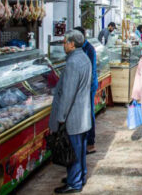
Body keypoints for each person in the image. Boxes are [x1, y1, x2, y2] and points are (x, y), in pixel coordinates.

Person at [49, 30, 92, 194]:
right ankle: (79, 176)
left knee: (73, 149)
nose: (63, 44)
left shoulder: (74, 62)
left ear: (72, 44)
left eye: (65, 41)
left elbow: (68, 94)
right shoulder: (83, 57)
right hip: (81, 114)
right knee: (79, 148)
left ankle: (74, 182)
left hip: (73, 116)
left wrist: (61, 117)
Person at [74, 26, 99, 154]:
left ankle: (90, 142)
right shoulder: (79, 48)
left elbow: (90, 71)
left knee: (89, 113)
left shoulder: (88, 49)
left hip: (88, 86)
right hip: (83, 85)